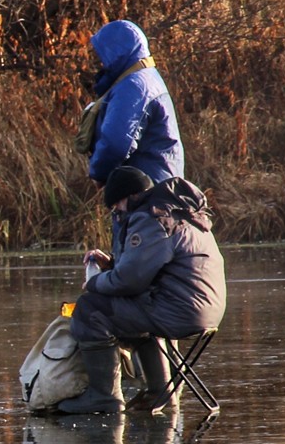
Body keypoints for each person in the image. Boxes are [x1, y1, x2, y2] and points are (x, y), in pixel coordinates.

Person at [59, 166, 225, 415]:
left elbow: (131, 280)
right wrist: (112, 265)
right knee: (134, 310)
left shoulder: (151, 218)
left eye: (117, 208)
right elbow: (149, 268)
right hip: (204, 309)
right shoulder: (179, 212)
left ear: (128, 197)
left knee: (90, 309)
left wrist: (93, 282)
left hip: (179, 311)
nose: (117, 214)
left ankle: (104, 397)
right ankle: (160, 392)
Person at [83, 19, 185, 189]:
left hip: (148, 195)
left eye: (101, 54)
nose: (98, 61)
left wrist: (98, 172)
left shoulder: (133, 86)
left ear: (115, 51)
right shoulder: (147, 78)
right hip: (161, 187)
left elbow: (116, 144)